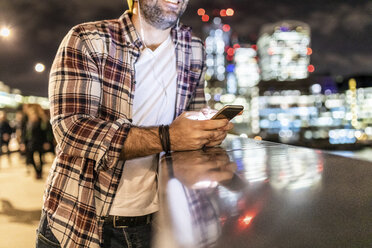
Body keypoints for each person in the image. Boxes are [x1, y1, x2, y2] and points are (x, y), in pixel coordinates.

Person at [36, 0, 233, 247]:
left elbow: (191, 121)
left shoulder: (193, 48)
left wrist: (206, 132)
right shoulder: (88, 38)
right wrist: (167, 137)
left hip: (157, 221)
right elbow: (71, 129)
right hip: (81, 220)